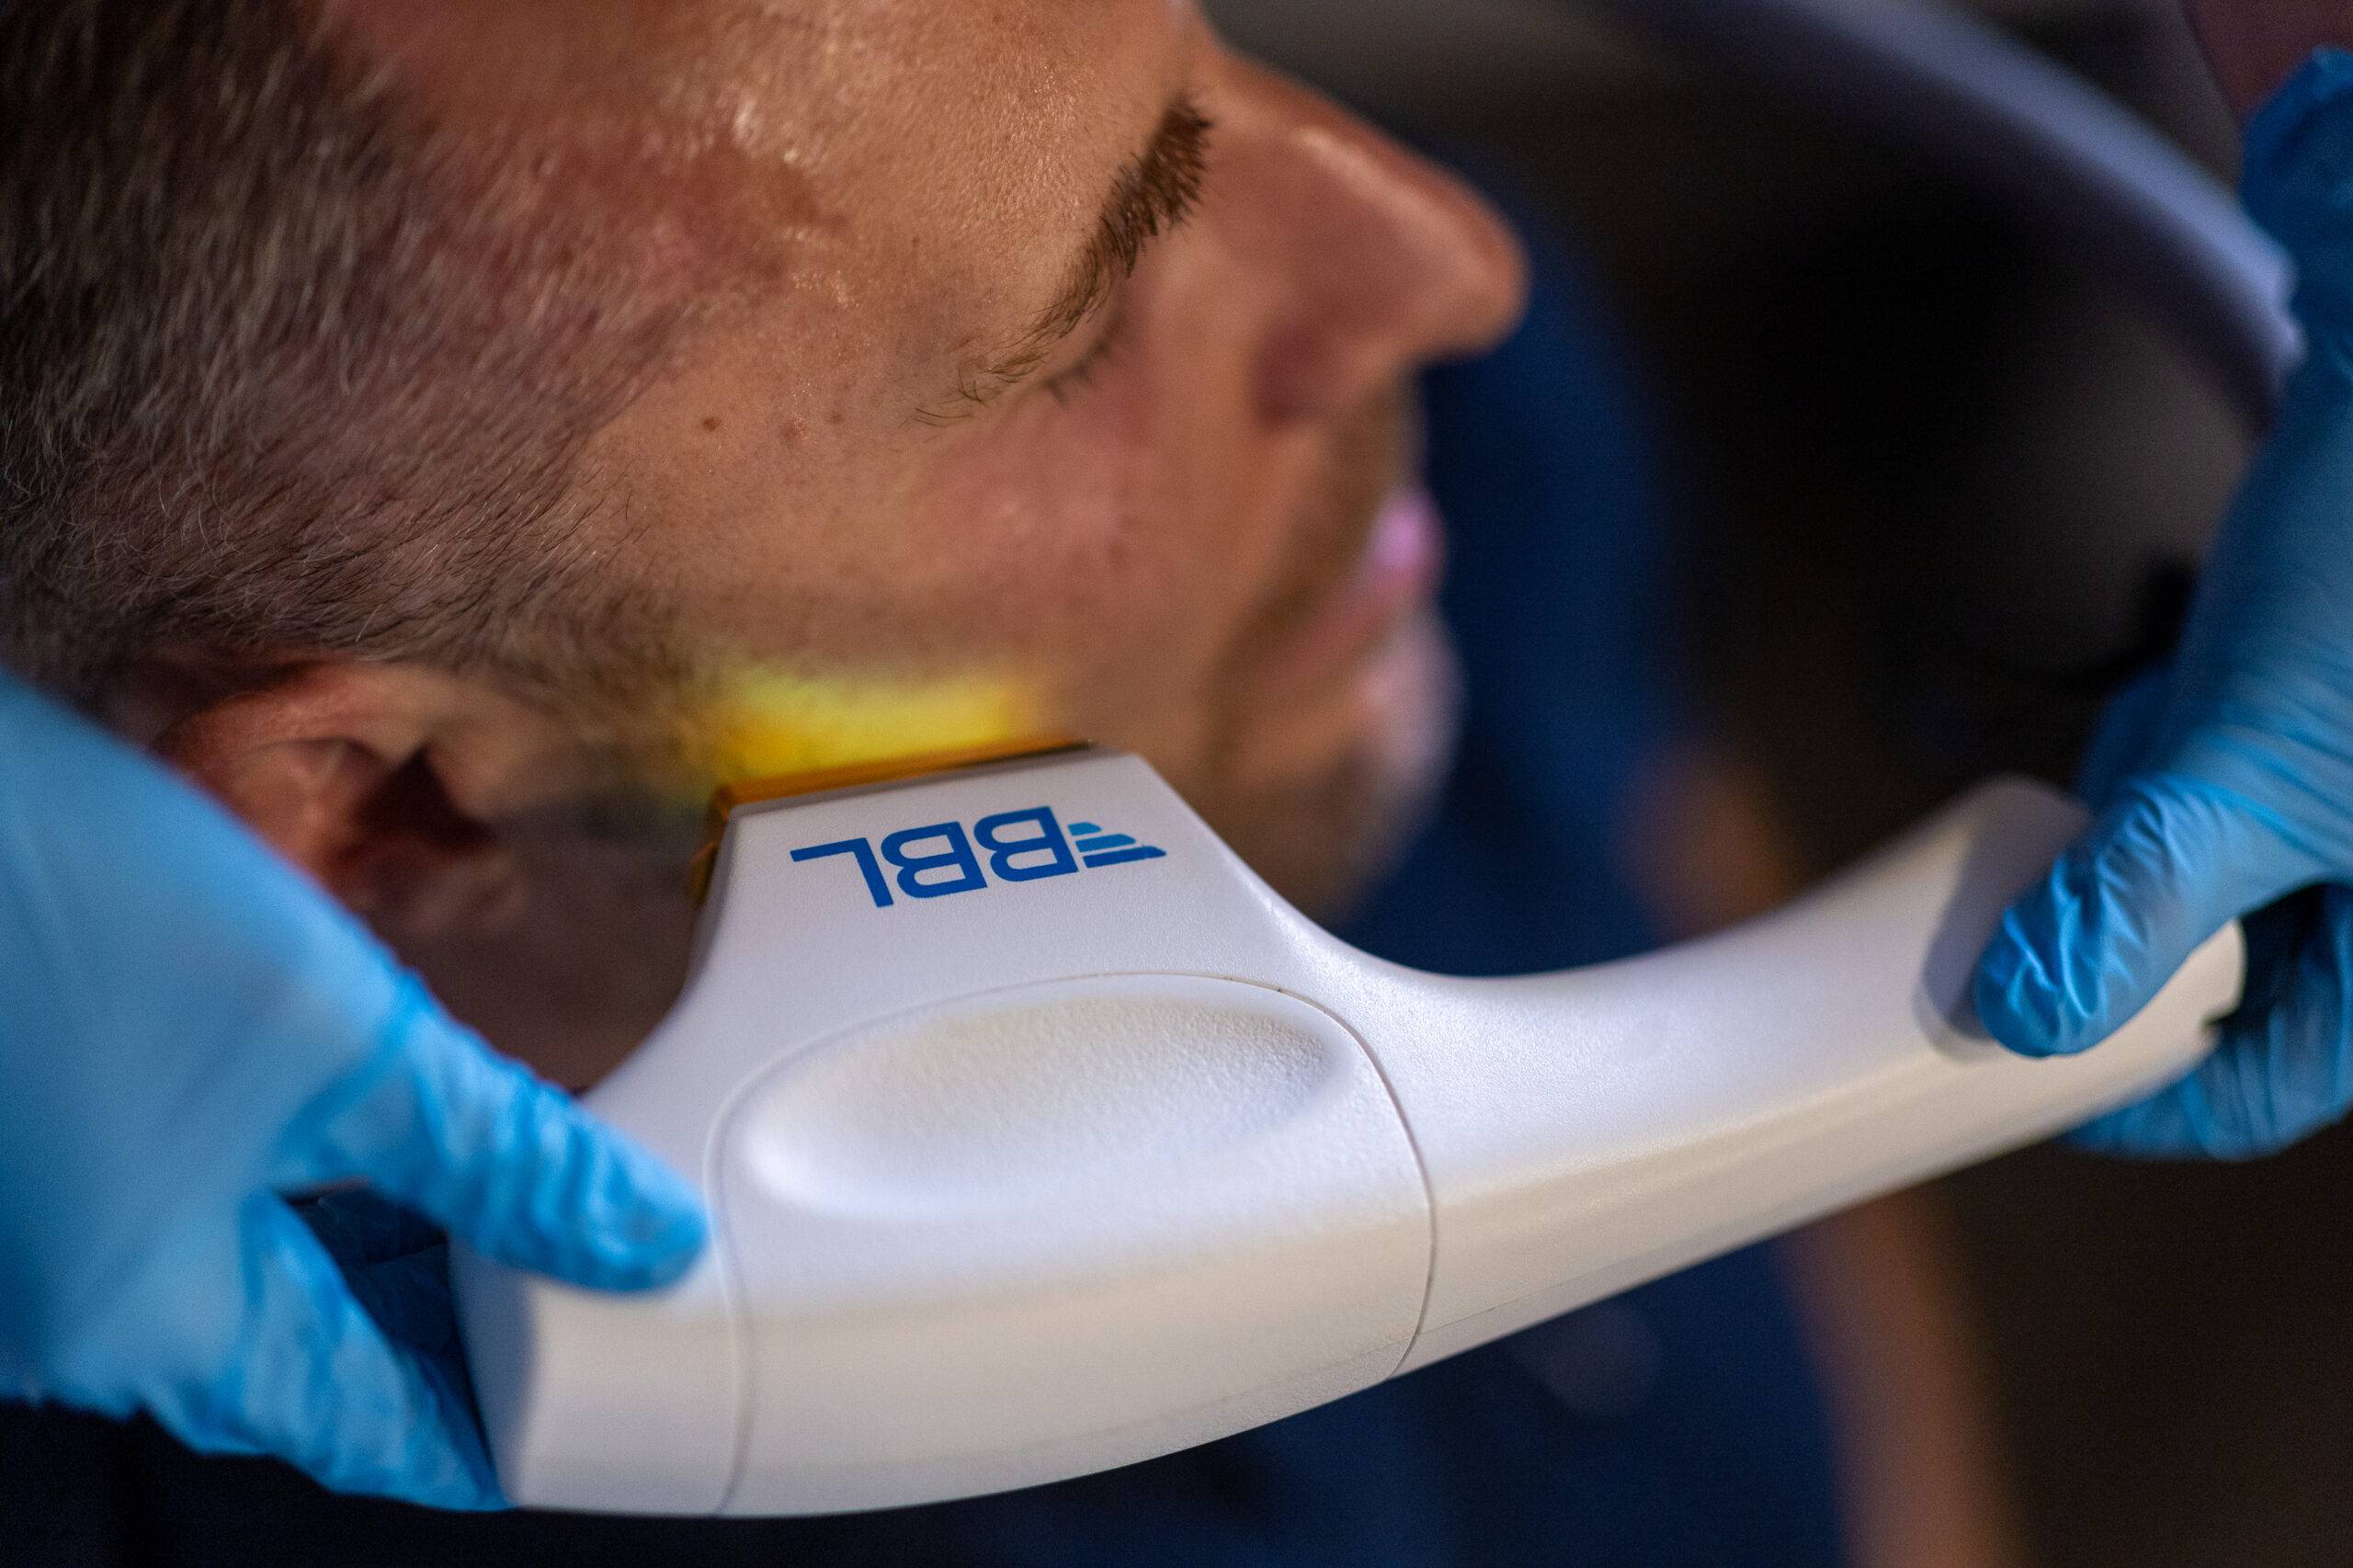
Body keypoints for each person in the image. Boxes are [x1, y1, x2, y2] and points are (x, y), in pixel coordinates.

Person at [3, 0, 2352, 1562]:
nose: (1440, 256)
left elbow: (1670, 872)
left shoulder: (1383, 516)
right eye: (1081, 321)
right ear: (391, 809)